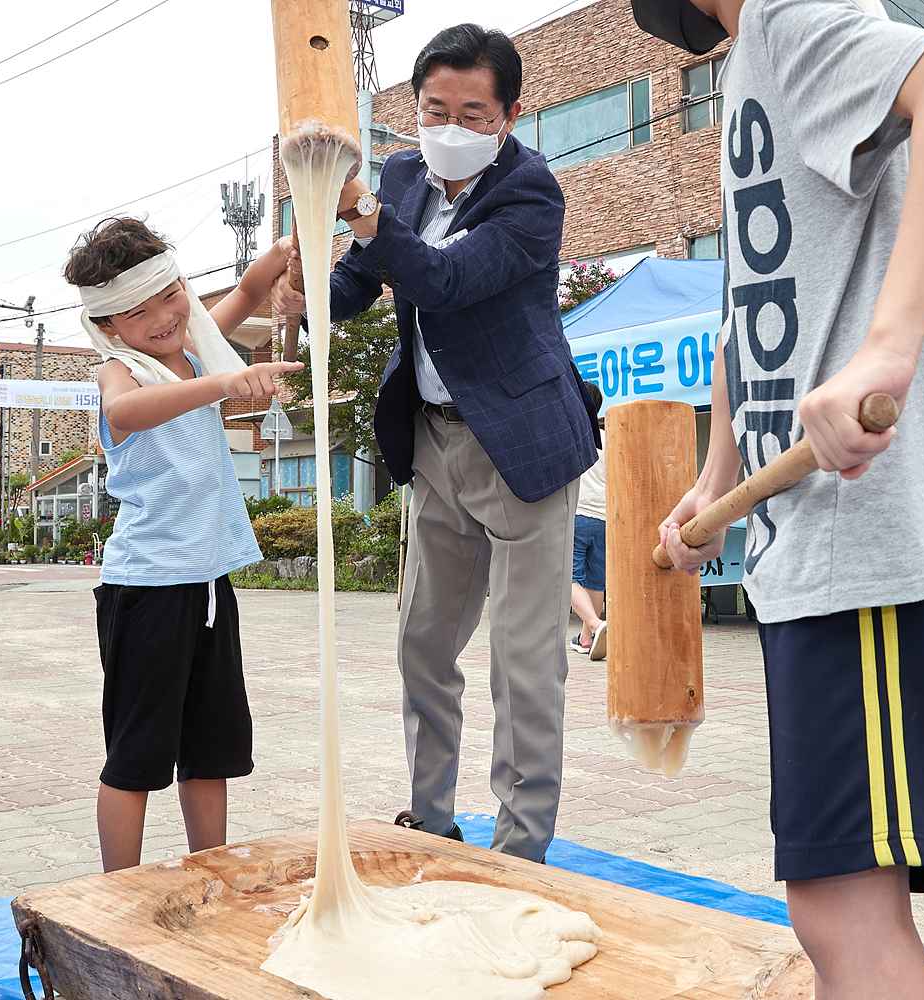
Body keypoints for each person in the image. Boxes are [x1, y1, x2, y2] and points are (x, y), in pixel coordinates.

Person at [641, 0, 924, 996]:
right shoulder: (748, 65)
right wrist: (714, 480)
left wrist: (890, 344)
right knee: (833, 913)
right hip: (799, 546)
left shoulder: (794, 15)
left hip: (864, 540)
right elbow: (750, 309)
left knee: (848, 909)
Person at [305, 23, 598, 863]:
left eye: (474, 111)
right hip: (432, 443)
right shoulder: (400, 175)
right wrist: (307, 295)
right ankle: (430, 818)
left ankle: (521, 848)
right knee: (422, 643)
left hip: (522, 448)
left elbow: (448, 282)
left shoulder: (531, 195)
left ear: (509, 113)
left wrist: (359, 212)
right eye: (436, 108)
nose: (451, 125)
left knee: (525, 661)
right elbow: (363, 283)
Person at [66, 217, 302, 873]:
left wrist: (291, 247)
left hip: (205, 582)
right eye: (136, 313)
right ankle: (118, 895)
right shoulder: (122, 368)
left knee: (211, 749)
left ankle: (214, 873)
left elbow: (253, 289)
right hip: (146, 589)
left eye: (170, 295)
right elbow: (123, 413)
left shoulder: (195, 348)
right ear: (109, 326)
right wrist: (225, 385)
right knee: (136, 757)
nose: (163, 318)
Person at [571, 384, 608, 660]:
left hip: (578, 514)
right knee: (596, 581)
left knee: (569, 578)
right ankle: (587, 638)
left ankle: (595, 625)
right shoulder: (610, 436)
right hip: (605, 518)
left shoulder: (573, 432)